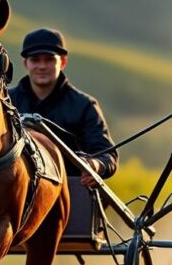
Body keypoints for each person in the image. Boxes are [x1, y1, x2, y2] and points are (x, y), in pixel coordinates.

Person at [8, 28, 118, 188]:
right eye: (35, 60)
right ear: (25, 63)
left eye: (49, 59)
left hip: (72, 191)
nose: (42, 66)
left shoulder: (85, 106)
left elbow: (108, 155)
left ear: (63, 62)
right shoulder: (7, 103)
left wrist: (95, 165)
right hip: (16, 193)